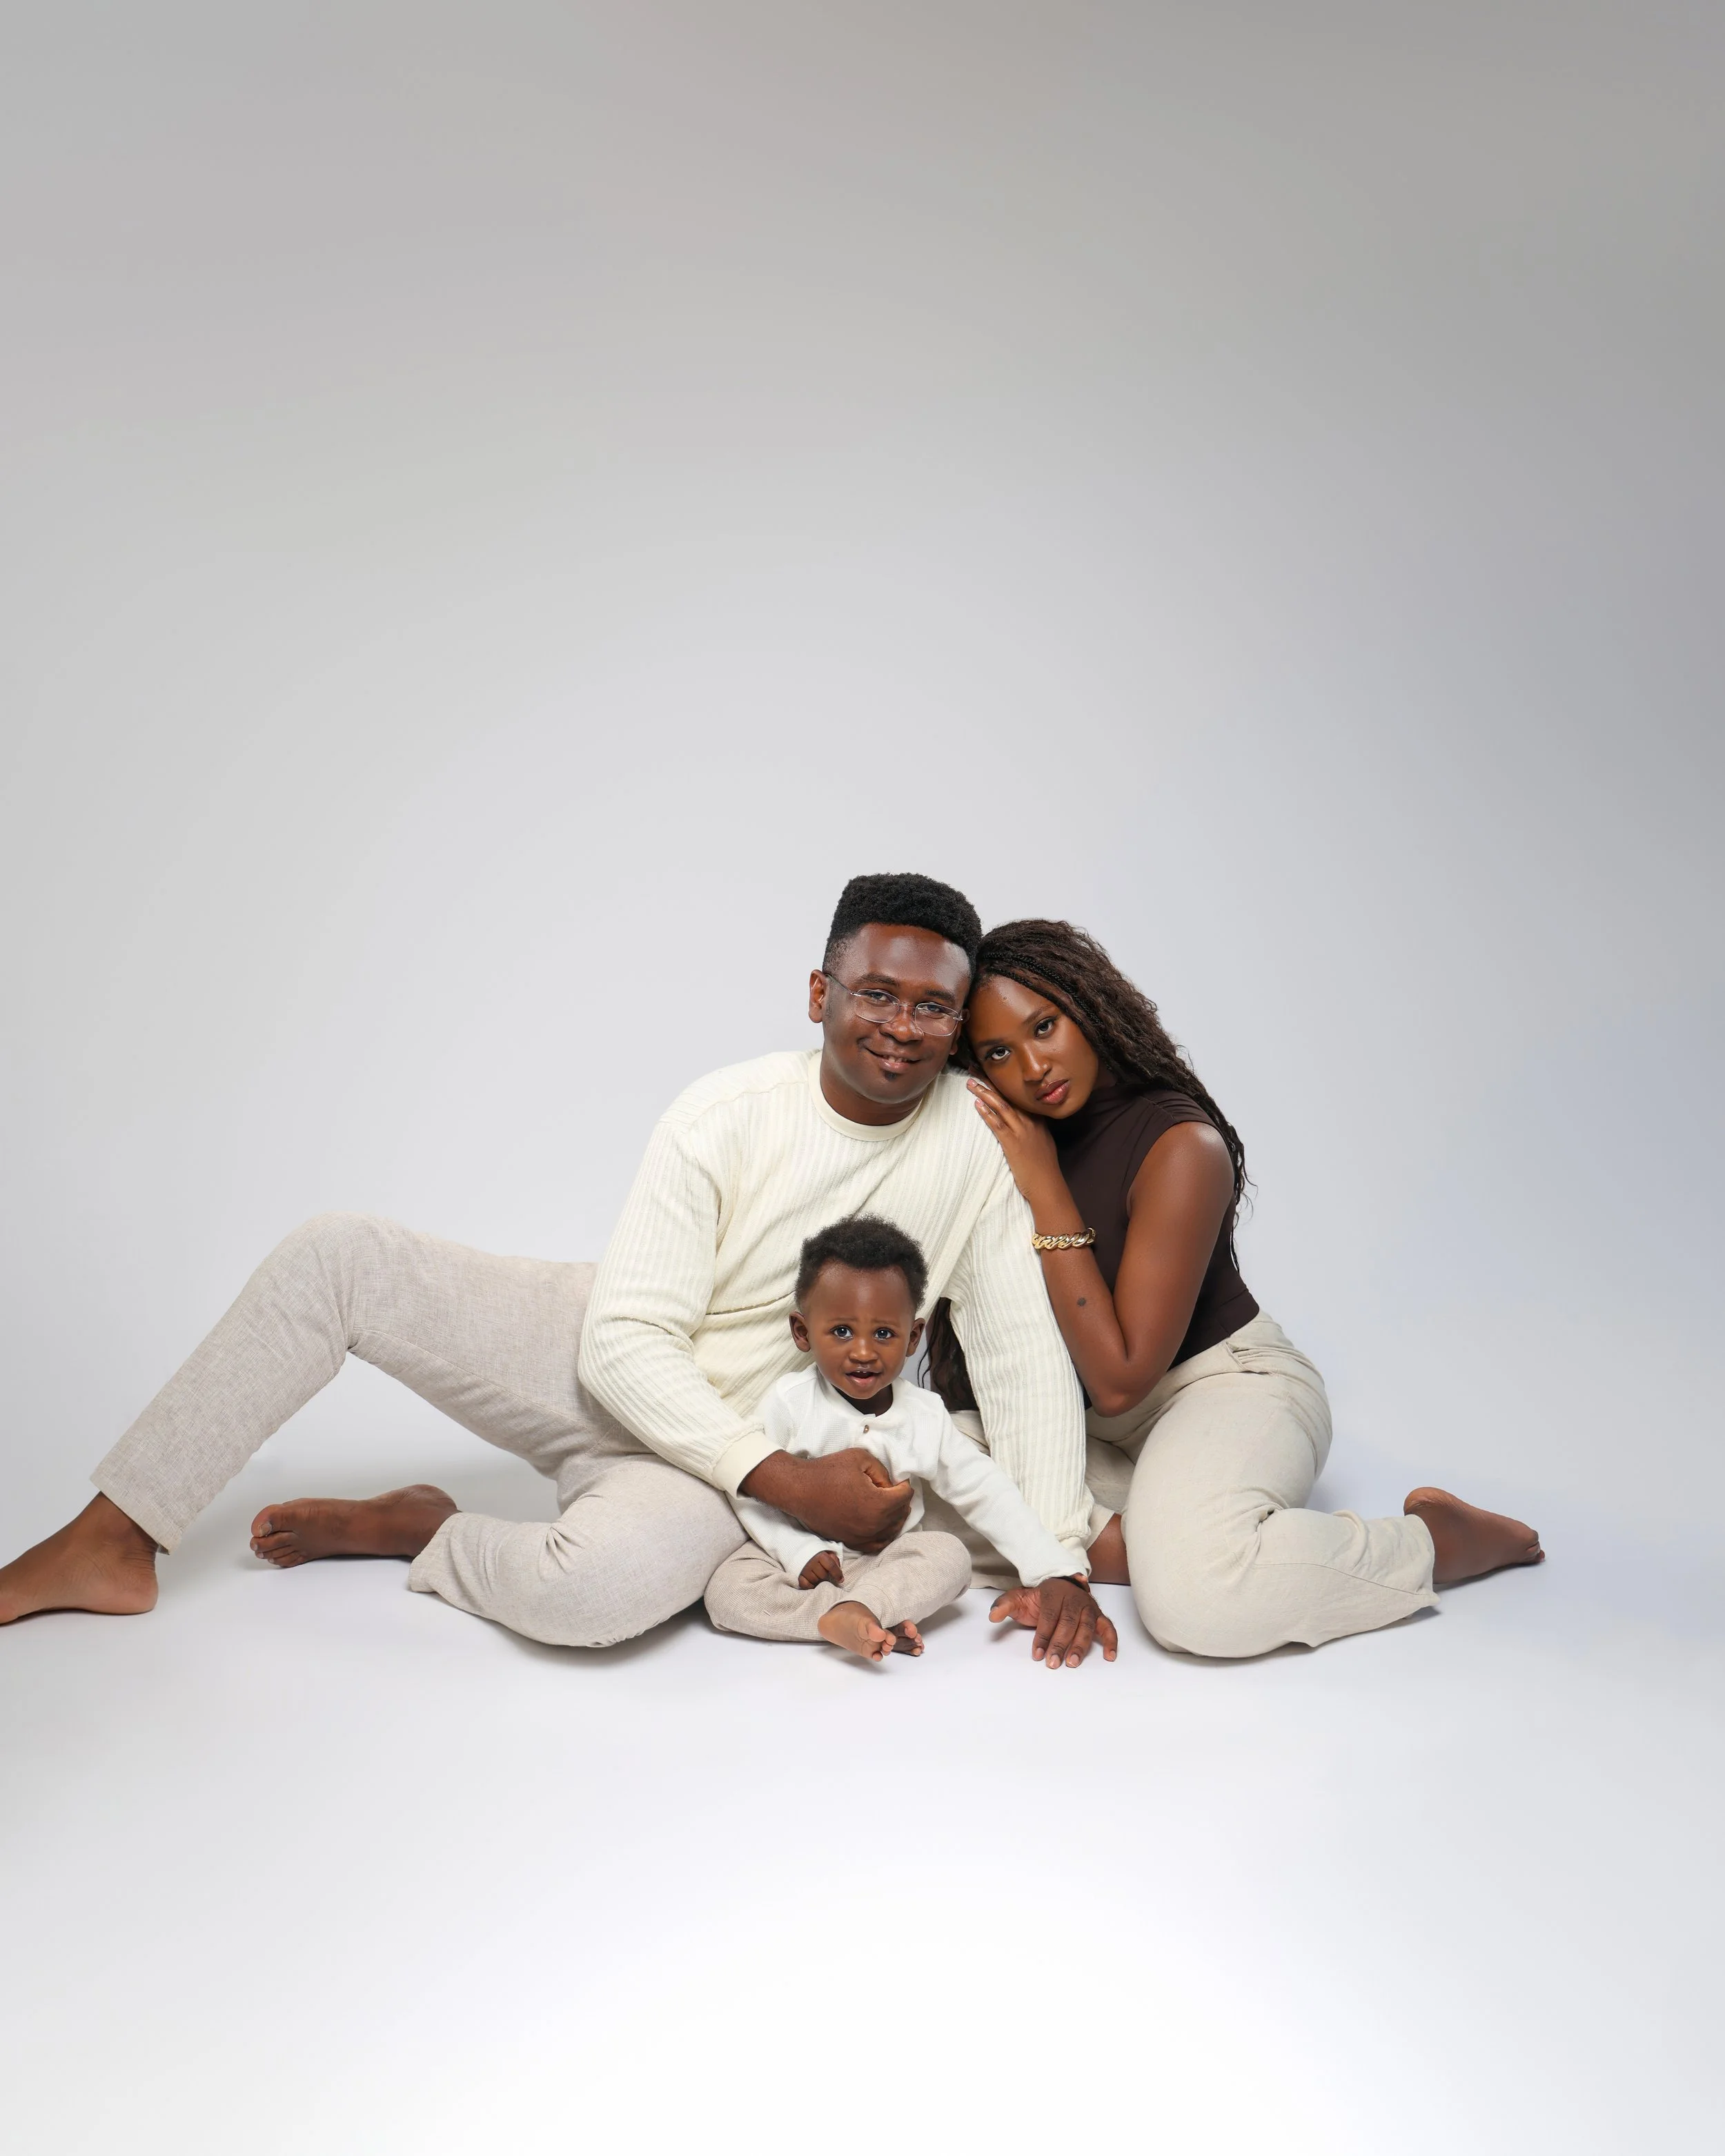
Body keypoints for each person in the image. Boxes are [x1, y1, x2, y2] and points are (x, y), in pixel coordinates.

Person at [0, 875, 1114, 1670]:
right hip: (613, 1355)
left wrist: (1055, 1557)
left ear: (959, 1024)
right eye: (877, 992)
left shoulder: (974, 1153)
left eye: (932, 1008)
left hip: (739, 1448)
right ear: (821, 993)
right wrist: (781, 1480)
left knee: (591, 1603)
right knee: (338, 1255)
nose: (901, 1027)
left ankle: (422, 1530)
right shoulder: (724, 1114)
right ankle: (115, 1538)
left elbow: (1019, 1358)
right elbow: (625, 1342)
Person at [927, 917, 1544, 1661]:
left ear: (1089, 1007)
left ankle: (1433, 1543)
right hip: (1085, 1422)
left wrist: (1046, 1189)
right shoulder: (1004, 1130)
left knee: (1196, 1602)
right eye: (998, 1051)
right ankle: (1137, 1540)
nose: (1031, 1065)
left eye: (1045, 1026)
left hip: (1219, 1385)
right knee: (904, 1473)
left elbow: (1122, 1379)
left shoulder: (1181, 1145)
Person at [706, 1214, 1102, 1664]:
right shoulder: (789, 1402)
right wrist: (799, 1552)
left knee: (949, 1557)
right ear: (802, 1332)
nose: (862, 1350)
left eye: (883, 1333)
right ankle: (855, 1617)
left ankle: (864, 1611)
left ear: (912, 1337)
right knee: (726, 1591)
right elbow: (752, 1491)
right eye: (841, 1331)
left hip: (887, 1562)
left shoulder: (925, 1415)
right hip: (795, 1565)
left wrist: (1053, 1569)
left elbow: (986, 1490)